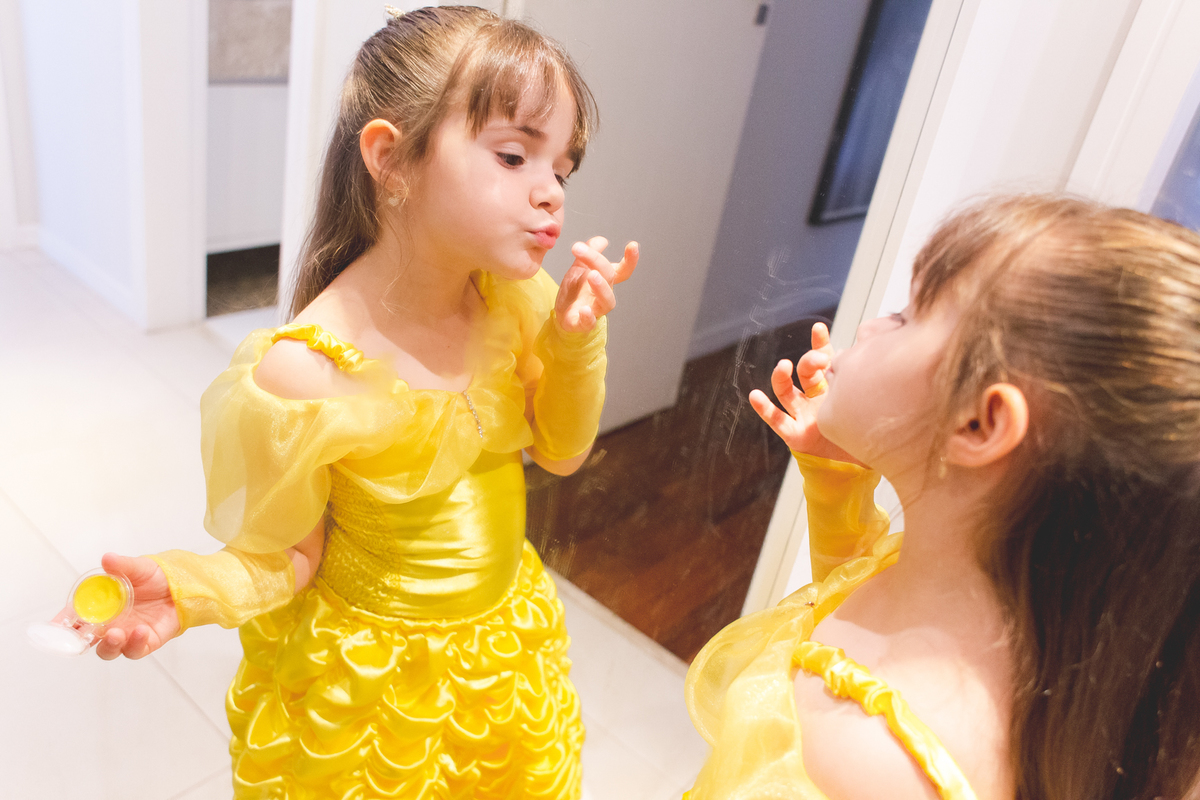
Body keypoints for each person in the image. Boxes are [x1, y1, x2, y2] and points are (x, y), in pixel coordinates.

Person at [54, 6, 637, 798]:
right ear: (391, 159)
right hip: (370, 692)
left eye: (562, 170)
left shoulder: (520, 304)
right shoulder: (303, 372)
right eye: (513, 155)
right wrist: (189, 589)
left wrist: (576, 344)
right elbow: (288, 556)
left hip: (503, 649)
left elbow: (561, 455)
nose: (550, 196)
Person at [684, 194, 1200, 800]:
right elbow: (858, 590)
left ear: (979, 424)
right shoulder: (989, 609)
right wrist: (836, 481)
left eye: (906, 316)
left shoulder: (861, 755)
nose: (871, 325)